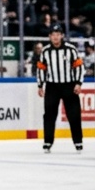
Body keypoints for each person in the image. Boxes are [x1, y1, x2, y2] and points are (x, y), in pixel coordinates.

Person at [36, 25, 84, 153]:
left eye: (58, 34)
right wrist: (40, 85)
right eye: (53, 34)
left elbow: (79, 66)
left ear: (62, 36)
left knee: (74, 114)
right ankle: (48, 142)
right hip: (52, 86)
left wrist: (78, 83)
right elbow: (41, 69)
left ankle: (78, 141)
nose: (55, 37)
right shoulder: (45, 51)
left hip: (69, 85)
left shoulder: (71, 49)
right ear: (49, 36)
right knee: (49, 115)